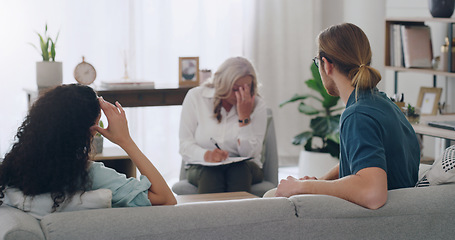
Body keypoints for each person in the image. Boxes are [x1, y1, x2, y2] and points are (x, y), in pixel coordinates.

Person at [275, 23, 420, 209]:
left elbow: (372, 194)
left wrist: (304, 186)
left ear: (326, 65)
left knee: (273, 197)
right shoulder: (383, 103)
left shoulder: (358, 115)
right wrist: (321, 181)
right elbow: (367, 161)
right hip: (402, 216)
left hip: (372, 225)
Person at [0, 84, 176, 214]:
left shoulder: (11, 170)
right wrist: (125, 141)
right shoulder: (89, 176)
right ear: (91, 130)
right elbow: (166, 199)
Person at [179, 57, 268, 194]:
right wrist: (207, 155)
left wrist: (244, 117)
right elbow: (185, 145)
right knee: (211, 174)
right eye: (235, 89)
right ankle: (210, 216)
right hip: (204, 166)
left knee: (239, 171)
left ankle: (241, 215)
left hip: (246, 167)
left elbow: (250, 153)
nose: (240, 95)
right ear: (222, 84)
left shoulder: (257, 104)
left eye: (246, 88)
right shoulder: (196, 97)